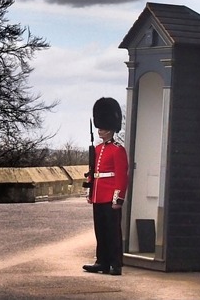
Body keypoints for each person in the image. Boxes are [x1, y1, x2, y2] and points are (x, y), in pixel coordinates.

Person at [83, 97, 129, 276]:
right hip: (98, 195)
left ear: (111, 129)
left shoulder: (118, 150)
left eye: (102, 127)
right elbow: (93, 172)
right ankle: (101, 261)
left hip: (110, 196)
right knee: (100, 231)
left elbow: (121, 176)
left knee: (112, 232)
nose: (99, 130)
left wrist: (118, 198)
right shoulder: (97, 149)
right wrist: (90, 190)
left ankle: (115, 264)